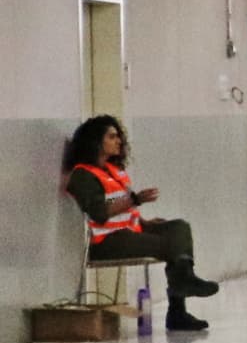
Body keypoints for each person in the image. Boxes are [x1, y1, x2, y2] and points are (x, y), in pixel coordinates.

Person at [61, 115, 218, 332]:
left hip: (129, 231)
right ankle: (179, 304)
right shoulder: (83, 175)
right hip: (106, 241)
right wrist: (135, 199)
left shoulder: (114, 171)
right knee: (171, 247)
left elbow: (122, 206)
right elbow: (99, 213)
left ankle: (181, 291)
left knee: (179, 228)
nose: (119, 141)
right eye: (112, 137)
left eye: (119, 136)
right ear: (97, 141)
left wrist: (143, 221)